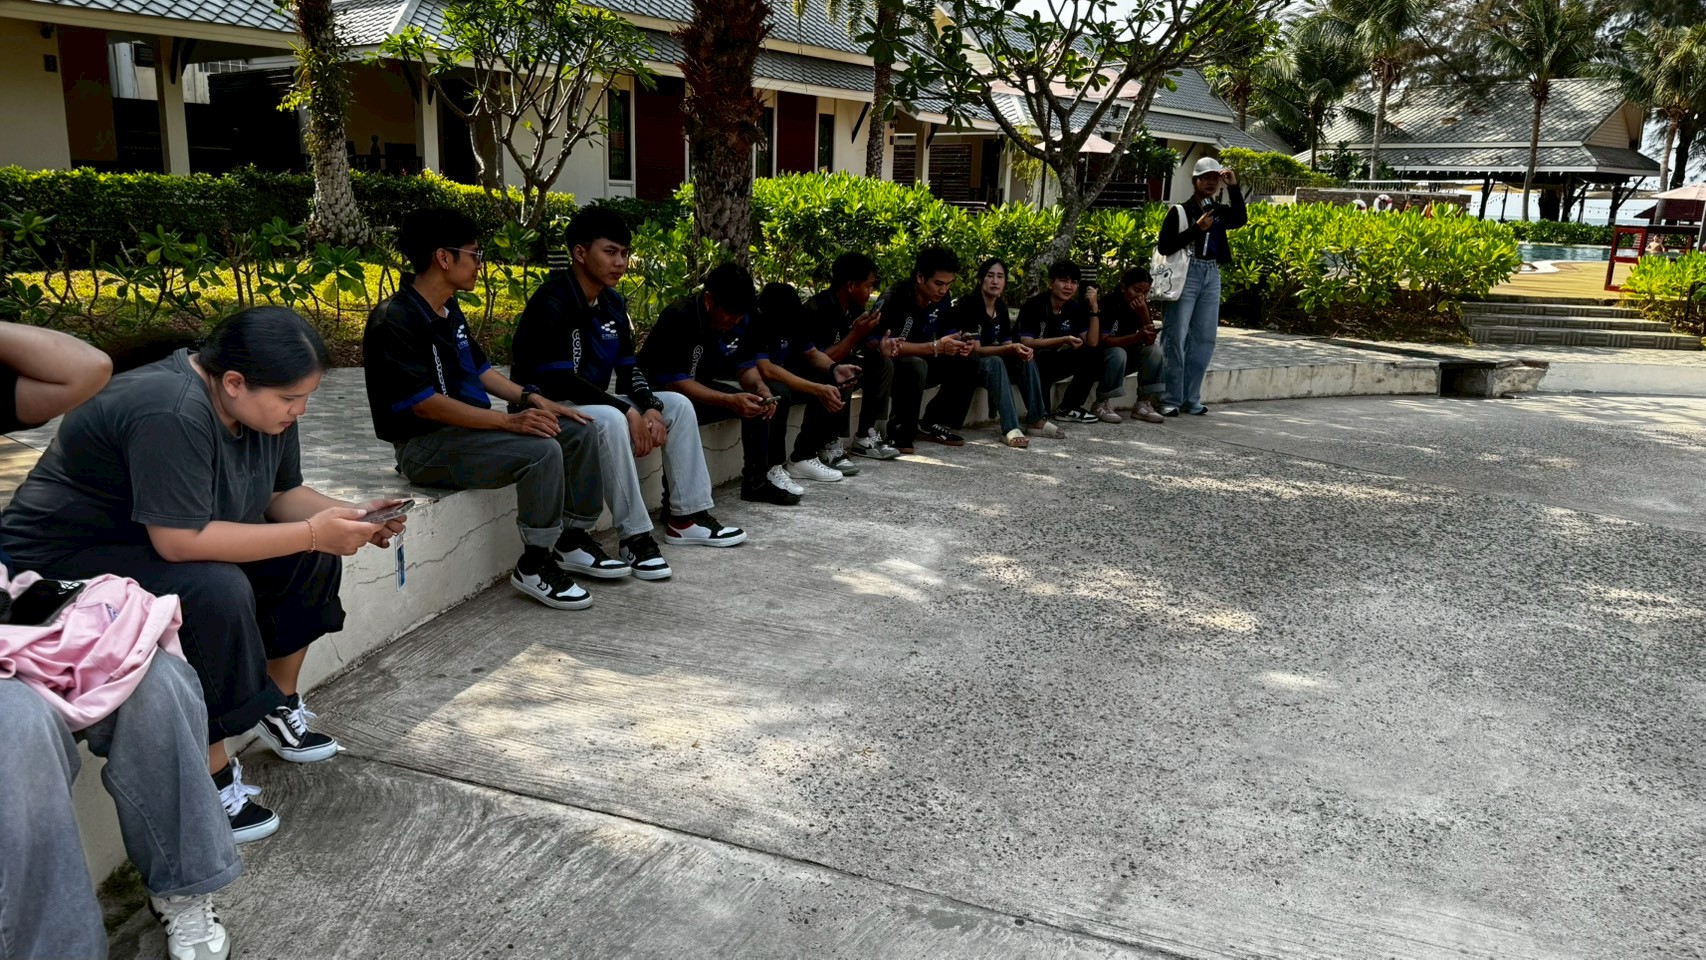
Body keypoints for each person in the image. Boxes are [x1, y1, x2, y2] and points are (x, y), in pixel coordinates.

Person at [3, 309, 407, 852]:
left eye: (306, 396)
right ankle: (211, 774)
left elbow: (280, 496)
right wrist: (315, 532)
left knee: (310, 556)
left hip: (152, 541)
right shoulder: (170, 409)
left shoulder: (262, 411)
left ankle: (275, 702)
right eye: (290, 398)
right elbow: (180, 543)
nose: (301, 410)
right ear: (234, 382)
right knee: (213, 590)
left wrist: (352, 518)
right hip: (61, 559)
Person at [0, 324, 233, 960]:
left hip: (12, 611)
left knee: (154, 677)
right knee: (18, 728)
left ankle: (184, 889)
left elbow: (84, 368)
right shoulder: (170, 410)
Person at [364, 207, 605, 611]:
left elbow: (479, 369)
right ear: (444, 257)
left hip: (468, 434)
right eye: (475, 254)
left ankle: (573, 538)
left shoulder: (448, 308)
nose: (480, 264)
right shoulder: (395, 319)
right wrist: (509, 423)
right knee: (541, 450)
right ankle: (535, 563)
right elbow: (424, 406)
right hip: (423, 447)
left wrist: (531, 399)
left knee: (577, 430)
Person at [509, 208, 745, 577]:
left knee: (677, 405)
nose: (620, 262)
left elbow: (628, 367)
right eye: (610, 252)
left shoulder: (613, 303)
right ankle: (634, 537)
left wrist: (649, 406)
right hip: (546, 407)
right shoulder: (552, 301)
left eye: (624, 253)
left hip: (591, 403)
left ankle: (687, 518)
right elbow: (562, 382)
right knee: (611, 418)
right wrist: (627, 411)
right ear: (580, 252)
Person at [637, 263, 801, 505]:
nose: (736, 320)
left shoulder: (742, 318)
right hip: (658, 392)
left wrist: (759, 387)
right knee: (683, 411)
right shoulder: (680, 316)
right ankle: (675, 504)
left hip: (699, 386)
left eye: (741, 314)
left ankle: (756, 483)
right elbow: (675, 382)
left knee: (758, 404)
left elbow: (745, 368)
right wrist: (729, 400)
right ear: (709, 301)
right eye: (731, 313)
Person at [1156, 156, 1246, 416]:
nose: (1210, 183)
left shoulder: (1218, 211)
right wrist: (1196, 229)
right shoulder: (1180, 211)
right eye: (1204, 178)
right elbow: (1165, 246)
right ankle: (1170, 397)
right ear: (1194, 181)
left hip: (1211, 272)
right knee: (1176, 335)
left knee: (1205, 337)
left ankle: (1191, 398)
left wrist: (1233, 186)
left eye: (1215, 178)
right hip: (1186, 272)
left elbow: (1240, 218)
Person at [870, 246, 977, 454]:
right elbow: (885, 346)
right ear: (920, 277)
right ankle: (899, 432)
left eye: (948, 284)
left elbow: (948, 331)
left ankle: (932, 422)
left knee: (968, 359)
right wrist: (935, 347)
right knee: (915, 364)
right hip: (889, 367)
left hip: (923, 359)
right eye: (938, 284)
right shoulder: (895, 297)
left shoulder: (943, 300)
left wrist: (961, 342)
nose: (943, 290)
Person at [753, 282, 863, 482]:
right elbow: (767, 369)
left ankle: (804, 456)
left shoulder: (795, 318)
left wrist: (834, 368)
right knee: (779, 393)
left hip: (785, 373)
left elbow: (812, 353)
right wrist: (816, 389)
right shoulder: (758, 322)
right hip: (757, 379)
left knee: (832, 380)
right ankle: (772, 466)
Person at [945, 258, 1061, 448]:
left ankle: (1037, 420)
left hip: (994, 362)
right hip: (971, 364)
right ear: (981, 279)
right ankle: (1010, 428)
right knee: (996, 361)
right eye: (990, 276)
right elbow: (977, 349)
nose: (995, 281)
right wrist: (1008, 348)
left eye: (1000, 277)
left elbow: (1007, 342)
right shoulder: (970, 305)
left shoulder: (1001, 307)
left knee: (1025, 358)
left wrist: (1019, 350)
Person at [801, 252, 898, 461]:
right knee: (844, 372)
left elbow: (864, 343)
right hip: (811, 371)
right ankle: (828, 442)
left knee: (882, 364)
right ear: (851, 285)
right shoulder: (817, 308)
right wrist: (855, 334)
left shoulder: (855, 308)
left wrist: (880, 345)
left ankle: (865, 435)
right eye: (868, 286)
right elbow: (820, 358)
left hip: (836, 365)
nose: (871, 292)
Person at [1015, 261, 1107, 424]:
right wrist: (1063, 339)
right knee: (1042, 416)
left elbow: (1092, 342)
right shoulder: (1034, 305)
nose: (1069, 287)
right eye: (1064, 281)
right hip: (1027, 362)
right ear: (1051, 283)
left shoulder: (1074, 307)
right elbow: (1027, 342)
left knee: (1092, 354)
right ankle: (1040, 413)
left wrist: (1094, 308)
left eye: (1074, 282)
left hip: (1051, 360)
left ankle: (1068, 408)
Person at [1091, 266, 1166, 424]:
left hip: (1127, 358)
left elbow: (1149, 341)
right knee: (1118, 352)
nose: (1140, 296)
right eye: (1136, 290)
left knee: (1154, 351)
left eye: (1145, 293)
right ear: (1123, 287)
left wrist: (1144, 313)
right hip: (1104, 359)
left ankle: (1143, 403)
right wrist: (1137, 336)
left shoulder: (1141, 306)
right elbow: (1105, 340)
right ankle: (1101, 403)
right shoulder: (1110, 303)